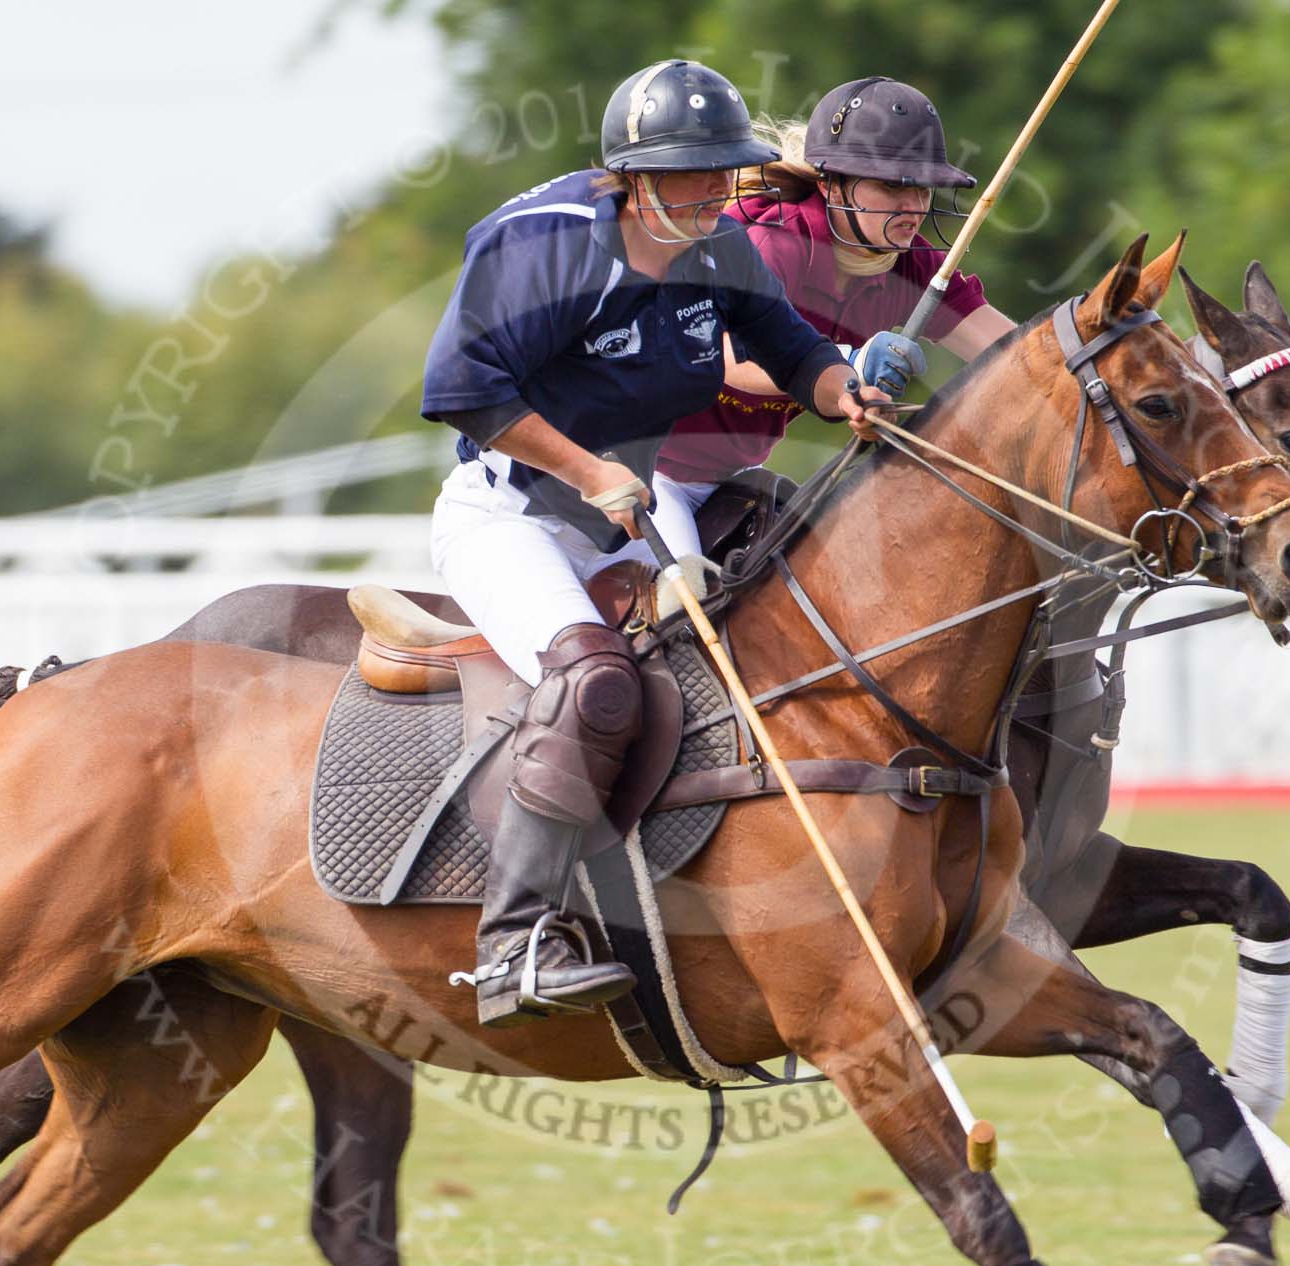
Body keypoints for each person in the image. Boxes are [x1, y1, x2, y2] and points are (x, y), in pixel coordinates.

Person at [420, 59, 911, 1028]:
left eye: (722, 170)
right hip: (512, 517)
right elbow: (463, 391)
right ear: (632, 178)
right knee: (594, 684)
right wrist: (585, 471)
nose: (711, 191)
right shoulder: (545, 247)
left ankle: (697, 908)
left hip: (637, 512)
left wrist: (841, 390)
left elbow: (792, 352)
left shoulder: (719, 250)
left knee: (739, 674)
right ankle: (514, 943)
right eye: (688, 174)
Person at [647, 77, 1022, 559]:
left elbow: (1012, 356)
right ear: (830, 183)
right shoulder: (774, 243)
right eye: (892, 185)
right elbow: (718, 351)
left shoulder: (911, 265)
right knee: (689, 618)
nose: (914, 206)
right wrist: (850, 367)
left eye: (923, 188)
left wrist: (1097, 344)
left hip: (730, 482)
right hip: (641, 468)